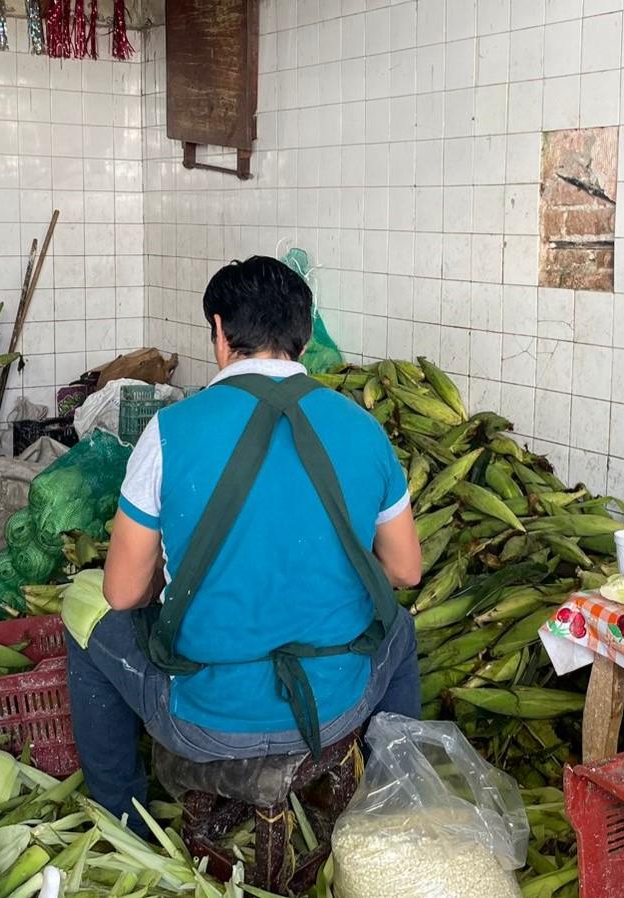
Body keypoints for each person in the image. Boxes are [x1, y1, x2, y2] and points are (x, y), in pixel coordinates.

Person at [64, 255, 422, 831]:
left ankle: (121, 820)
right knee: (399, 631)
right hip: (334, 705)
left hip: (205, 719)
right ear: (303, 340)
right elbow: (406, 571)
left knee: (86, 622)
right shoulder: (363, 428)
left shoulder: (169, 432)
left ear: (219, 331)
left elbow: (124, 592)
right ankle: (395, 810)